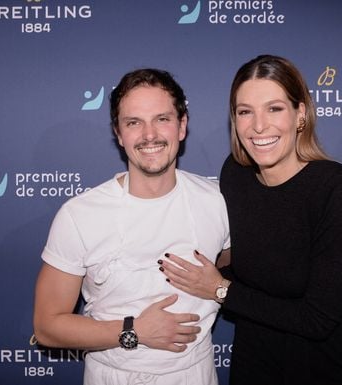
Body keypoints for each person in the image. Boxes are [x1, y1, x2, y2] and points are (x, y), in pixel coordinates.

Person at [159, 55, 342, 384]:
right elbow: (247, 265)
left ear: (300, 115)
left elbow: (317, 318)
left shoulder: (338, 187)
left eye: (274, 108)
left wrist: (219, 288)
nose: (258, 126)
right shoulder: (236, 174)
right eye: (245, 111)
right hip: (252, 366)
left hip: (322, 370)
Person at [33, 68, 230, 385]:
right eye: (134, 122)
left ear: (182, 126)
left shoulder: (218, 201)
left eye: (162, 119)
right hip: (113, 375)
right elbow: (47, 326)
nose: (149, 135)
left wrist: (219, 287)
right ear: (118, 132)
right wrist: (133, 330)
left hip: (196, 374)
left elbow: (245, 269)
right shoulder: (79, 214)